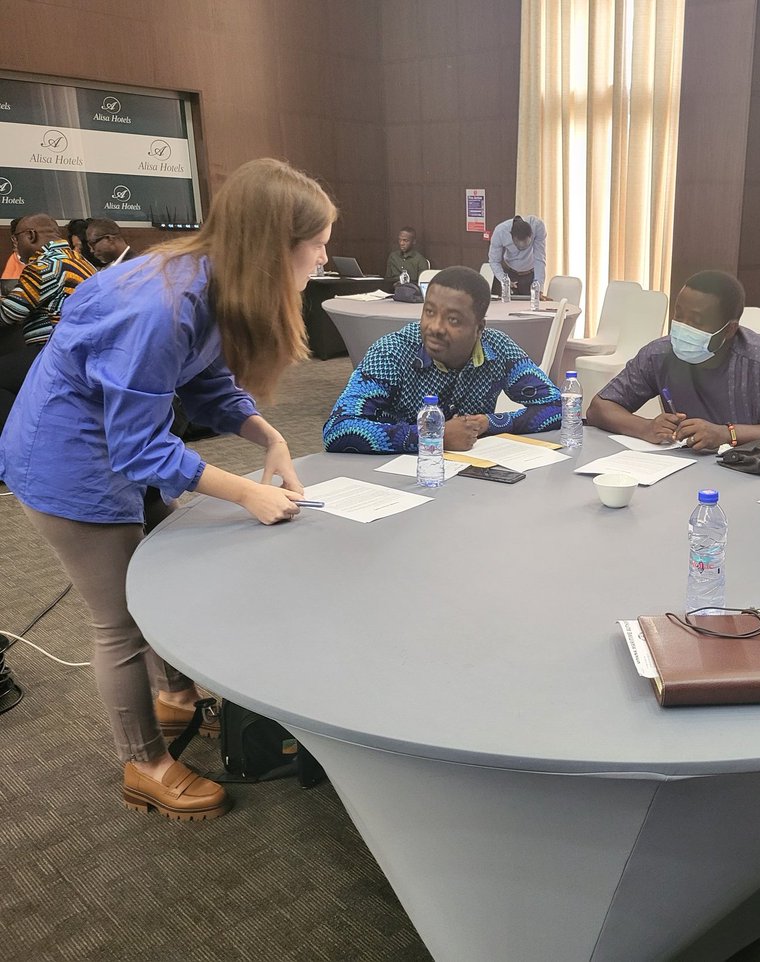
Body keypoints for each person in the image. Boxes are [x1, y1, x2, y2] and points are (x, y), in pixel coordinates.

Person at [0, 158, 336, 820]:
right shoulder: (162, 303)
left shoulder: (210, 284)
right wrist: (245, 492)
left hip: (108, 446)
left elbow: (203, 380)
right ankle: (145, 765)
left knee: (159, 580)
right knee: (120, 620)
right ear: (274, 244)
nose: (325, 256)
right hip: (67, 463)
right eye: (318, 242)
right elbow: (138, 447)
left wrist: (269, 438)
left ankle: (176, 695)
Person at [323, 266, 561, 453]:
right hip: (394, 483)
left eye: (454, 320)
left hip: (467, 485)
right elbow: (337, 428)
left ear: (479, 328)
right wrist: (433, 435)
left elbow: (559, 407)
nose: (435, 327)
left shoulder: (497, 348)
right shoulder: (391, 353)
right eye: (429, 312)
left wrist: (491, 423)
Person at [587, 270, 760, 451]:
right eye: (679, 315)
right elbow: (599, 408)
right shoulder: (659, 354)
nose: (682, 327)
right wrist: (645, 427)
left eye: (696, 321)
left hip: (748, 472)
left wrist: (728, 434)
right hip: (679, 472)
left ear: (729, 330)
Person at [0, 213, 97, 430]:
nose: (16, 248)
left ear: (30, 235)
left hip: (52, 354)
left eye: (16, 240)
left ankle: (16, 441)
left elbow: (9, 314)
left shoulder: (44, 266)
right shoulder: (82, 262)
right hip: (83, 353)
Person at [487, 214, 546, 296]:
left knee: (531, 306)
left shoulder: (537, 226)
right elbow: (494, 261)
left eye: (526, 243)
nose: (522, 247)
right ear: (511, 236)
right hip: (509, 273)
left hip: (530, 274)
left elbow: (540, 258)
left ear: (531, 235)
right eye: (518, 244)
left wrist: (539, 287)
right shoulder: (500, 232)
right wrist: (504, 279)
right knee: (506, 306)